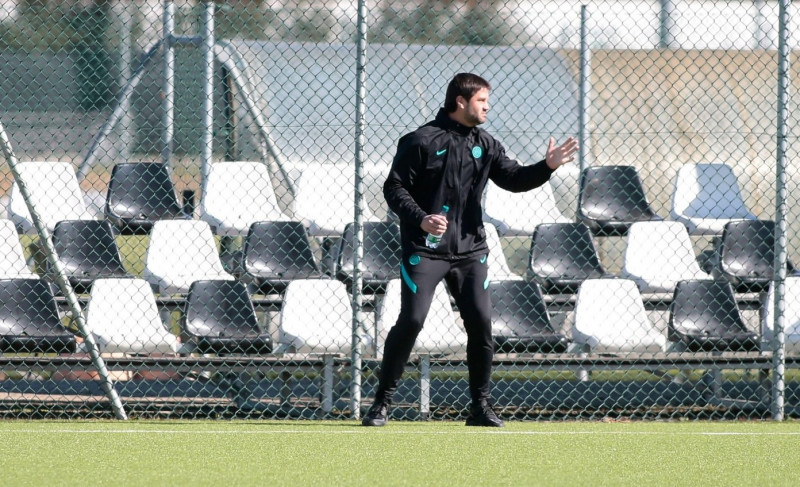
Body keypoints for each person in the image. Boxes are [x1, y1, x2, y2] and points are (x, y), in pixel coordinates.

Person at [362, 73, 578, 427]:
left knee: (480, 324)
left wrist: (547, 167)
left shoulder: (486, 143)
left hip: (471, 251)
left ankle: (479, 407)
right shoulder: (420, 141)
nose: (487, 107)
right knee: (412, 320)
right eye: (482, 101)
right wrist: (421, 219)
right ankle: (381, 403)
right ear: (460, 102)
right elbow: (394, 188)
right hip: (426, 250)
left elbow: (514, 179)